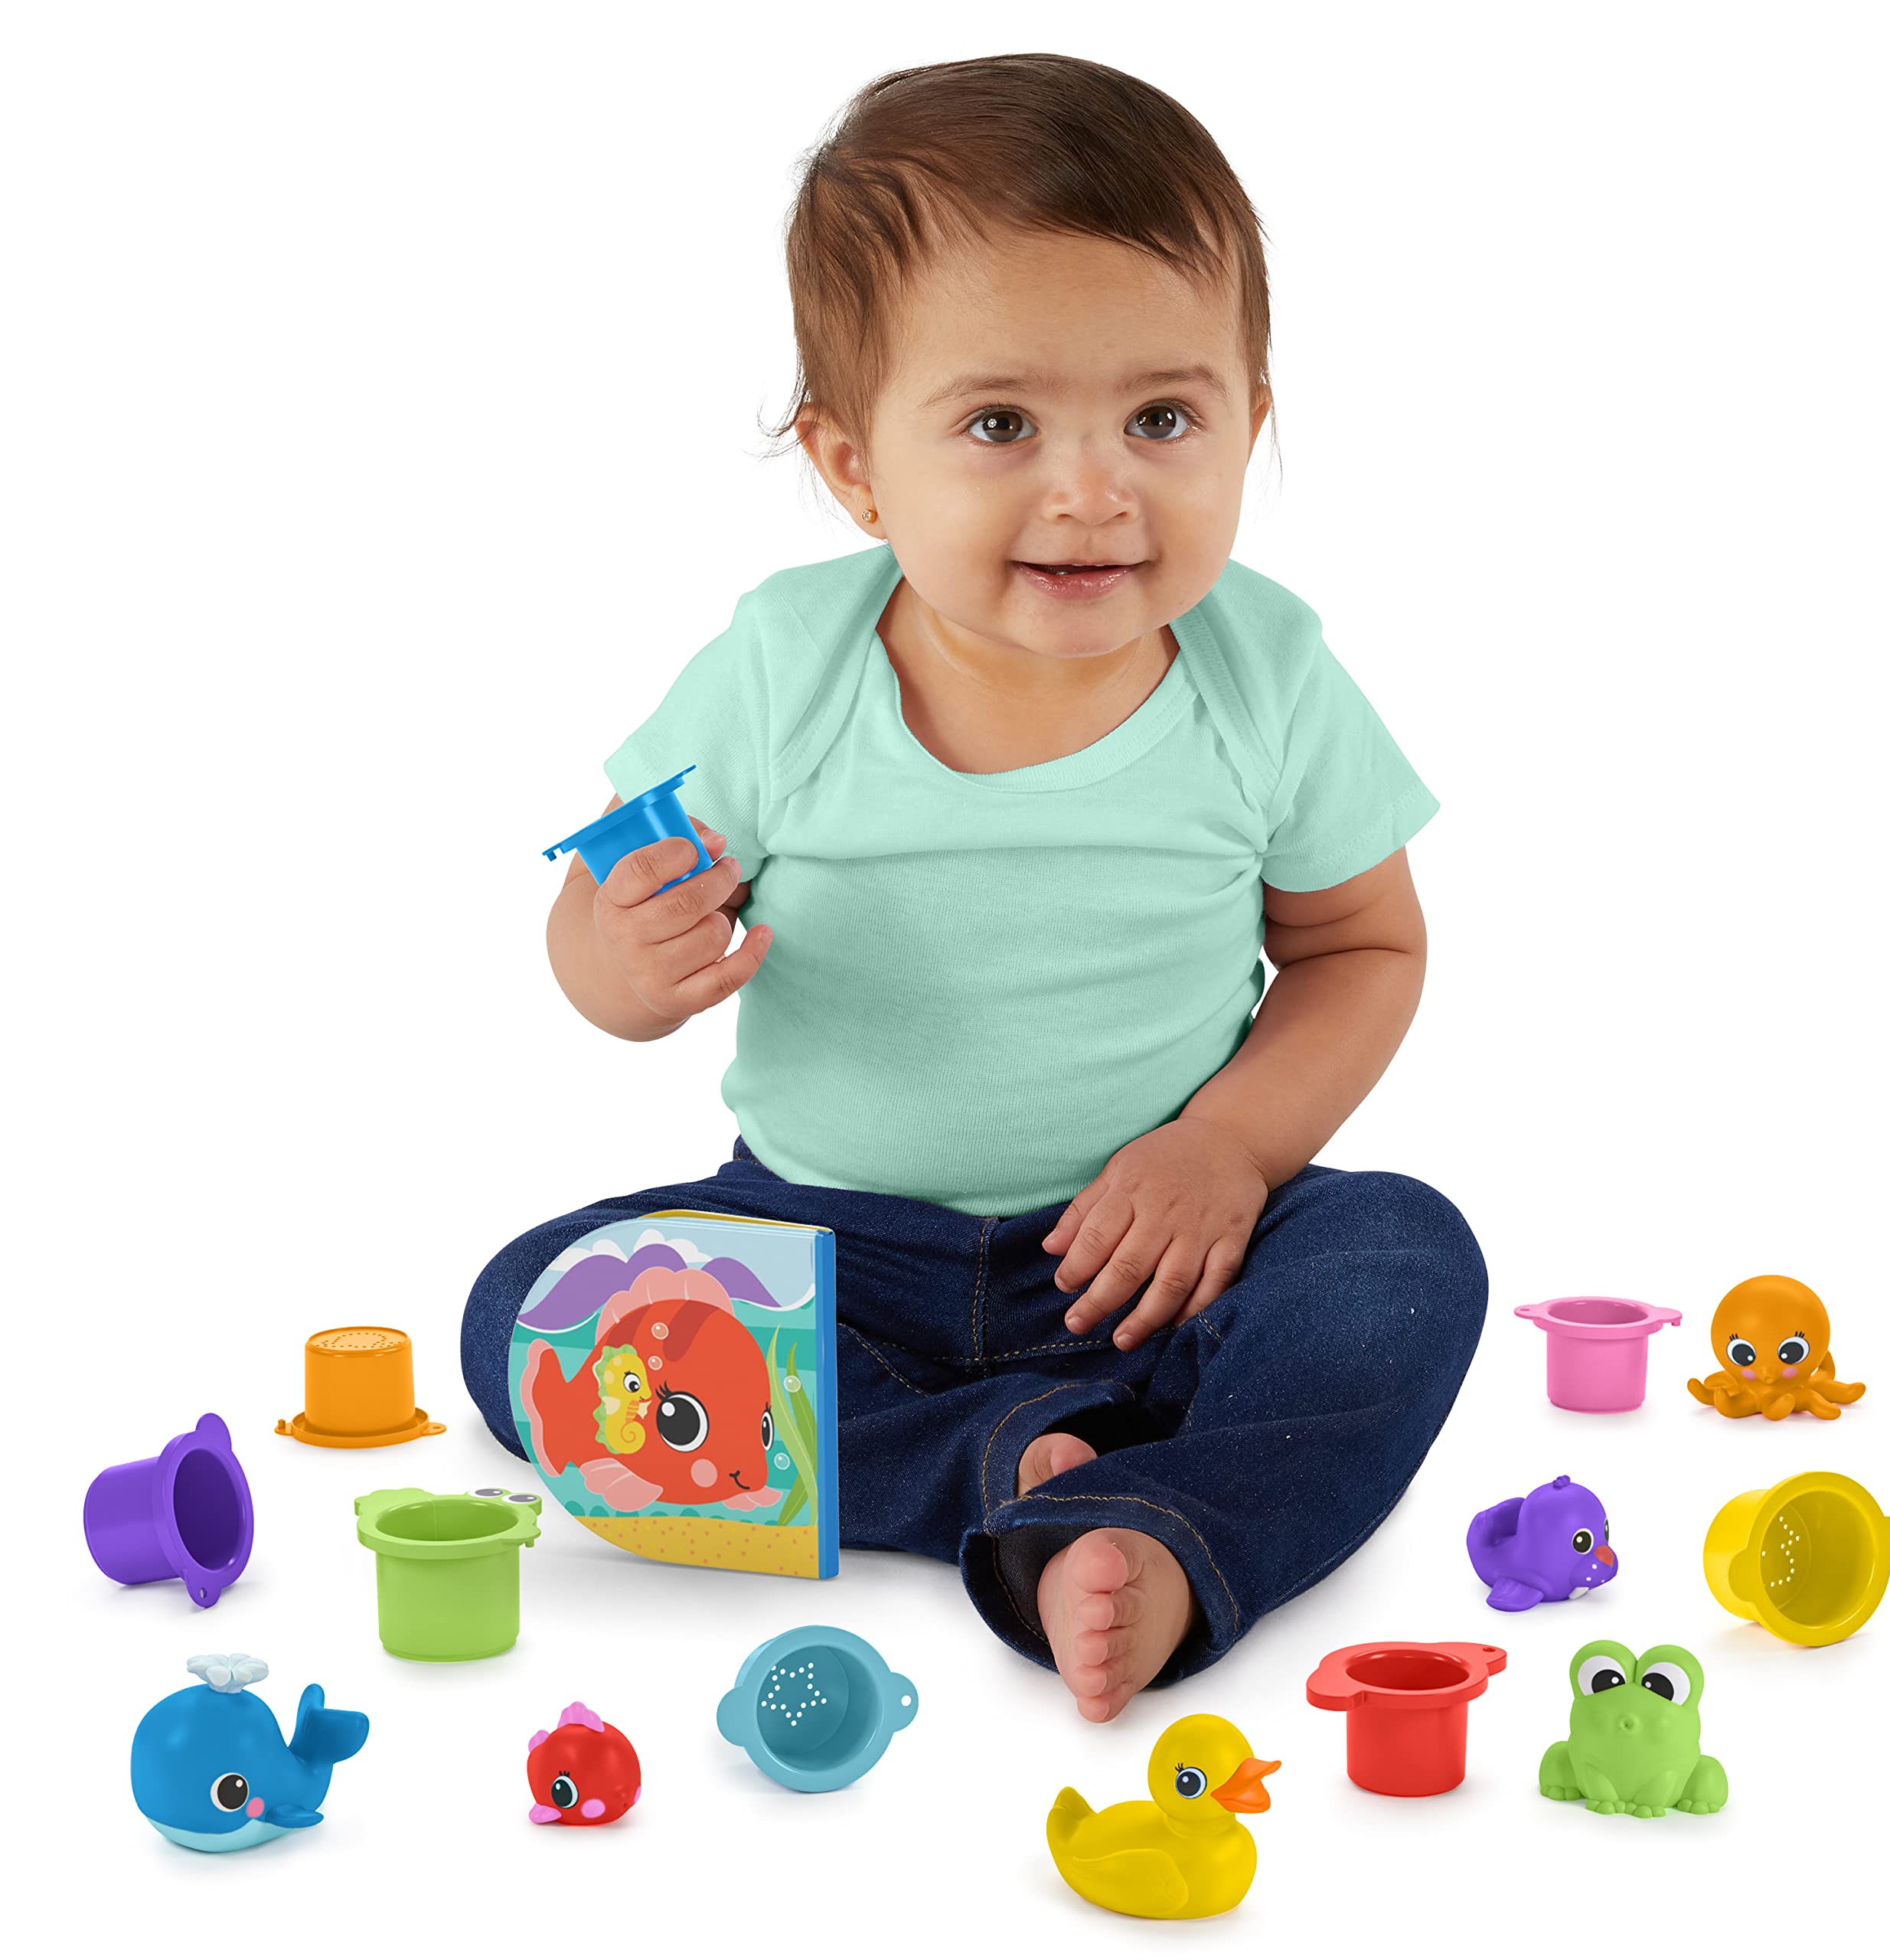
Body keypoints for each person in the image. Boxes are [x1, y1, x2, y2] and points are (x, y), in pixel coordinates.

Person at [465, 52, 1486, 1722]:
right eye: (1000, 425)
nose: (1091, 490)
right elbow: (603, 922)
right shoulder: (785, 671)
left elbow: (1361, 946)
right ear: (856, 465)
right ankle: (1007, 1463)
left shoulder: (1268, 677)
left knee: (1401, 1256)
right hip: (821, 1254)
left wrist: (1229, 1149)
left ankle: (1177, 1524)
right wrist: (625, 957)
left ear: (1249, 423)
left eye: (1161, 420)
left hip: (1157, 1255)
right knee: (530, 1309)